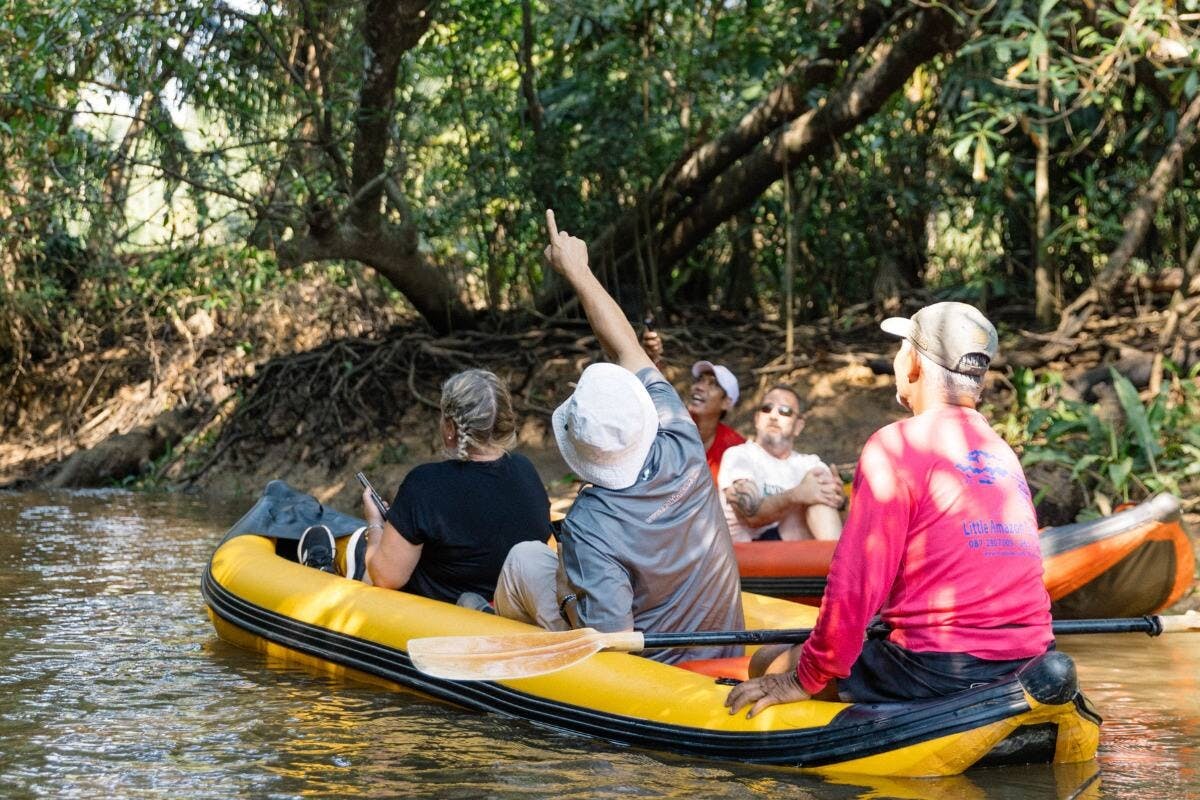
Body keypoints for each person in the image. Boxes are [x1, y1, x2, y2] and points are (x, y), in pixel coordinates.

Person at [726, 302, 1052, 716]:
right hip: (1031, 659)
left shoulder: (896, 445)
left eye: (901, 348)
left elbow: (855, 583)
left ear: (913, 363)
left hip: (934, 668)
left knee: (765, 661)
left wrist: (801, 677)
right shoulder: (999, 451)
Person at [493, 209, 745, 664]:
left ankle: (503, 654)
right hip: (726, 650)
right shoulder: (680, 440)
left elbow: (610, 645)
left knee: (525, 561)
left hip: (662, 682)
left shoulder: (591, 521)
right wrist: (579, 271)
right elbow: (627, 346)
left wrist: (569, 587)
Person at [297, 369, 553, 606]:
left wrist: (375, 523)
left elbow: (385, 578)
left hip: (434, 616)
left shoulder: (426, 484)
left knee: (364, 554)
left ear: (451, 428)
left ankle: (322, 571)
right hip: (502, 607)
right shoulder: (525, 470)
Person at [717, 385, 843, 542]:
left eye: (785, 411)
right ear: (757, 419)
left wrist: (837, 494)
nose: (773, 416)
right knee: (810, 500)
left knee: (819, 497)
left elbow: (831, 497)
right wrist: (797, 494)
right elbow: (752, 515)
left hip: (794, 554)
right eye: (766, 409)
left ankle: (839, 563)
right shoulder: (739, 456)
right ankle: (841, 563)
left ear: (798, 426)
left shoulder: (809, 463)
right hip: (746, 555)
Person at [641, 330, 746, 483]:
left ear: (727, 403)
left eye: (713, 384)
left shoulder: (736, 448)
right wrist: (651, 358)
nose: (699, 387)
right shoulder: (671, 423)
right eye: (699, 380)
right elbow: (651, 395)